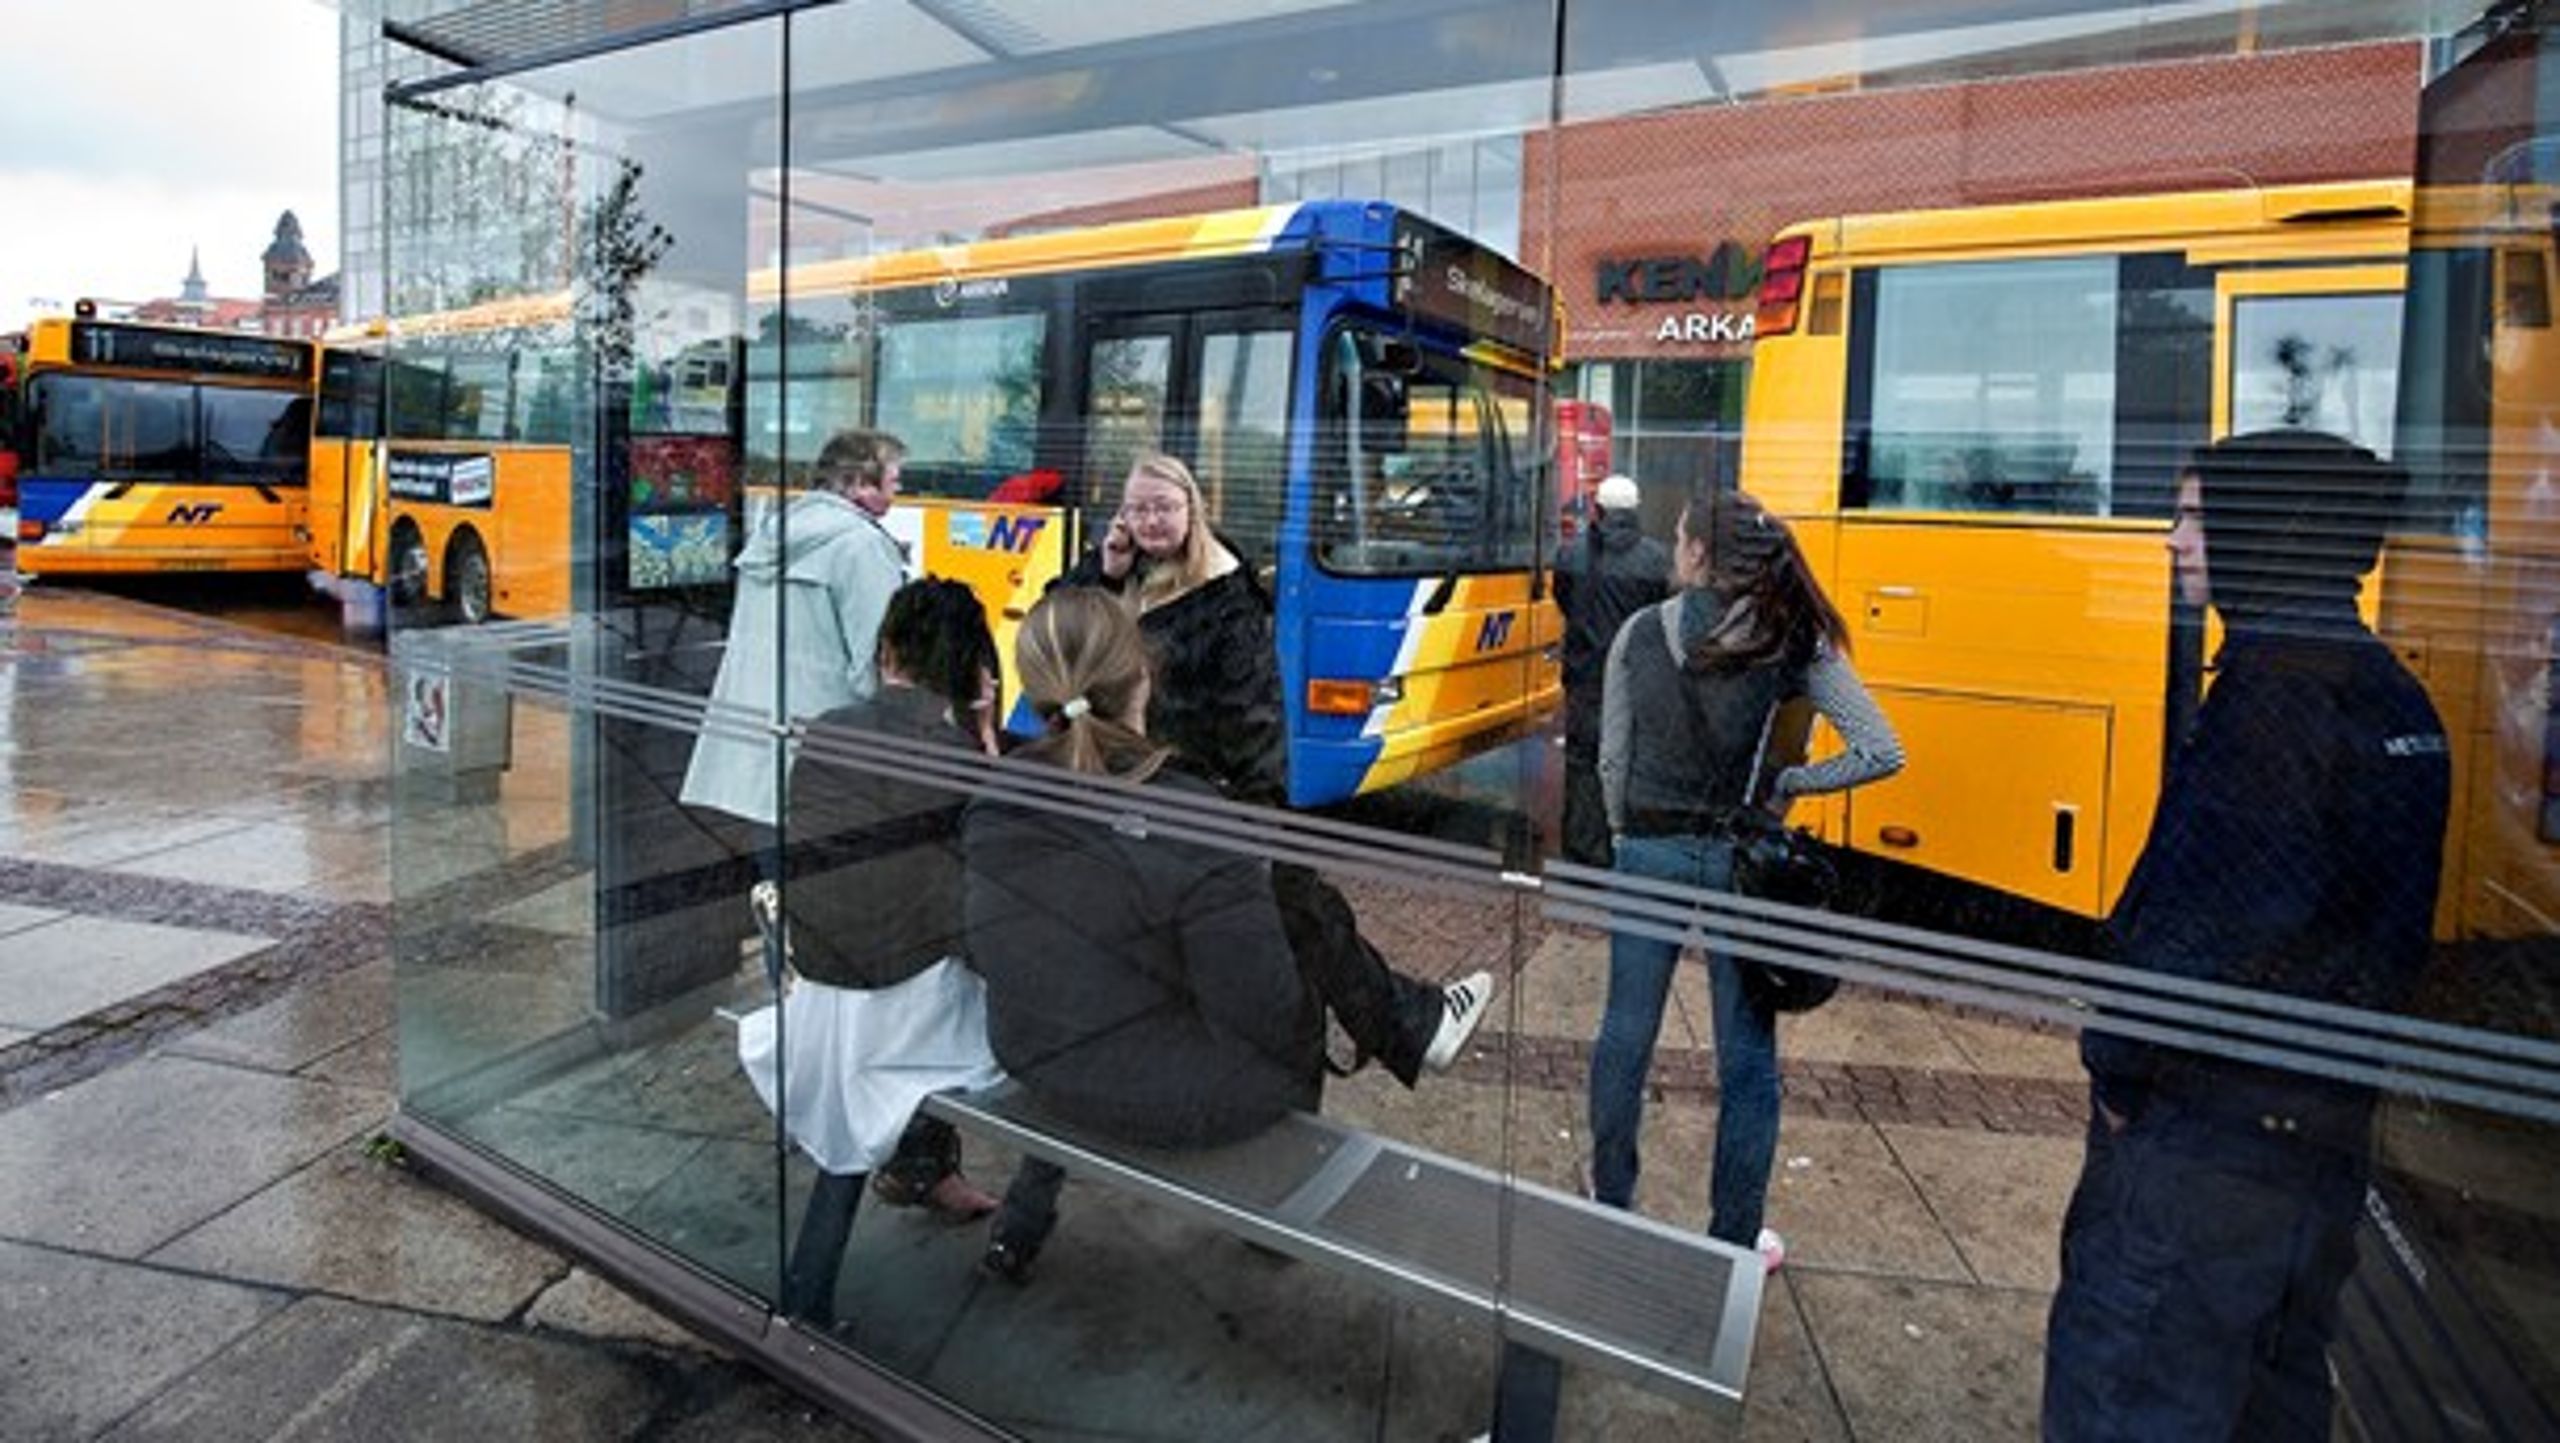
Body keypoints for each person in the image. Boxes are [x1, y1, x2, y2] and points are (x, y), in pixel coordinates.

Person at [2042, 430, 2449, 1442]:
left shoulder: (2273, 703)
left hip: (2209, 1150)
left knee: (2134, 1394)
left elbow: (2199, 931)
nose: (2173, 542)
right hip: (2318, 1144)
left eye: (2193, 517)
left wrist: (2123, 1077)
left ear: (2261, 530)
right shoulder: (2395, 697)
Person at [960, 588, 1495, 1281]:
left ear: (1032, 689)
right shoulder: (1189, 815)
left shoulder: (997, 796)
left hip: (1035, 1057)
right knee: (1300, 929)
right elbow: (1263, 1013)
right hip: (1165, 1100)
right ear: (1144, 676)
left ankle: (1409, 1019)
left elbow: (988, 943)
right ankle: (1281, 1211)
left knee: (1286, 903)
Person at [1589, 489, 1904, 1265]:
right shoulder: (1792, 639)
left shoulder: (1638, 633)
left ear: (1697, 554)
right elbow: (1880, 749)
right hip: (1741, 865)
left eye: (1683, 537)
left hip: (1650, 852)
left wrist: (1629, 835)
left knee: (1625, 1032)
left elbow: (1610, 759)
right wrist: (1789, 785)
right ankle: (1732, 1240)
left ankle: (1610, 1197)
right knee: (1747, 1056)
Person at [736, 577, 1009, 1331]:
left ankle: (921, 1179)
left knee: (861, 1104)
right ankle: (996, 1220)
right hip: (899, 1002)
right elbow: (976, 899)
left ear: (888, 649)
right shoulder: (956, 754)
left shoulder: (829, 728)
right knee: (985, 1013)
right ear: (972, 670)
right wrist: (985, 734)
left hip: (823, 984)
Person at [681, 428, 909, 832]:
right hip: (824, 745)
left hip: (755, 738)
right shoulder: (861, 546)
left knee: (771, 865)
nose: (900, 490)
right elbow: (875, 662)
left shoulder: (779, 530)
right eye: (893, 480)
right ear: (858, 483)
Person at [1055, 451, 1286, 804]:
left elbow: (1254, 725)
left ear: (1192, 509)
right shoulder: (1123, 559)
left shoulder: (1227, 599)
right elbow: (1052, 620)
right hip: (1107, 774)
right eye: (1137, 509)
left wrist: (1253, 829)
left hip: (1179, 789)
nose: (1150, 521)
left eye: (1164, 507)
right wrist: (1106, 575)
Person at [1551, 473, 1671, 865]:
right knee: (1629, 760)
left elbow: (1564, 600)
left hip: (1585, 678)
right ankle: (1624, 848)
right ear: (1635, 511)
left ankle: (1583, 854)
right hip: (1637, 679)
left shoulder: (1570, 554)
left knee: (1583, 764)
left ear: (1597, 509)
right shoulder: (1657, 560)